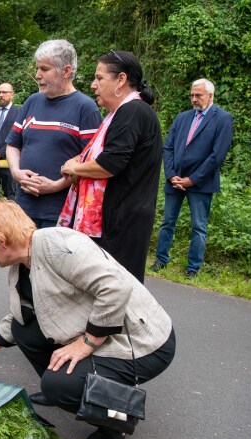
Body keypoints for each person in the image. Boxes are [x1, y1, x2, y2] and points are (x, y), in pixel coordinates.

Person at [0, 200, 176, 439]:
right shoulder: (23, 263)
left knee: (61, 384)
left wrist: (86, 343)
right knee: (25, 330)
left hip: (140, 342)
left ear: (1, 240)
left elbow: (116, 288)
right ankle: (66, 386)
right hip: (105, 330)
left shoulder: (57, 245)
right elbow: (20, 316)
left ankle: (118, 418)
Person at [59, 51, 162, 283]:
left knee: (118, 289)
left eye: (99, 78)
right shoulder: (122, 113)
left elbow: (110, 164)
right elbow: (105, 154)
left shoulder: (132, 111)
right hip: (122, 214)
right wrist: (79, 161)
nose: (93, 85)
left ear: (121, 80)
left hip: (123, 219)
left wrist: (73, 168)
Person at [6, 39, 101, 227]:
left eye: (44, 69)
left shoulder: (85, 108)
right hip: (24, 208)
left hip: (60, 211)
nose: (37, 75)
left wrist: (57, 185)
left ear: (66, 71)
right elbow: (12, 144)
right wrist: (16, 172)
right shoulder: (31, 102)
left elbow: (91, 160)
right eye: (37, 68)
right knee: (22, 257)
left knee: (51, 257)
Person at [151, 78, 234, 279]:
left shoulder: (223, 119)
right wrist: (171, 175)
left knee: (199, 227)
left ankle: (192, 269)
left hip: (201, 183)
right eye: (192, 95)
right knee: (167, 222)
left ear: (210, 95)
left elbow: (217, 155)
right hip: (175, 180)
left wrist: (193, 179)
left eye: (199, 95)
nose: (194, 99)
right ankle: (161, 261)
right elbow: (168, 147)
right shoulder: (182, 118)